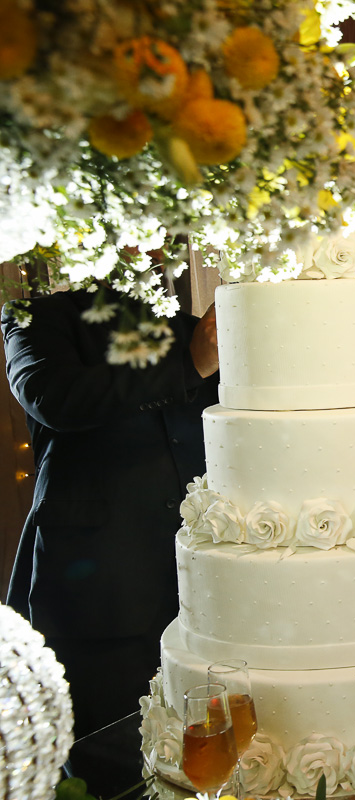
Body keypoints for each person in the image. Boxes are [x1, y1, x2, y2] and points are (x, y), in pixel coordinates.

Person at [3, 287, 219, 796]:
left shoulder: (183, 324)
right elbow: (52, 396)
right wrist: (190, 365)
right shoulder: (35, 317)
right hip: (99, 587)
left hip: (201, 585)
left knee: (199, 754)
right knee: (108, 758)